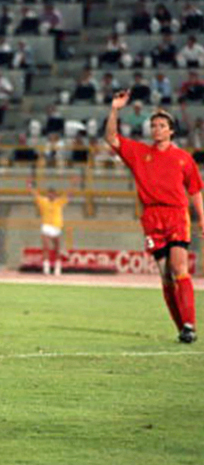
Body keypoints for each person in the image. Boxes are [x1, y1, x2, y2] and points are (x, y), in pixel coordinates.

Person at [105, 90, 204, 344]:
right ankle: (182, 327)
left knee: (179, 268)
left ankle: (190, 323)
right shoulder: (139, 153)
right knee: (164, 275)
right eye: (153, 126)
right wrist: (115, 109)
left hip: (176, 215)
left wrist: (202, 218)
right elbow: (111, 138)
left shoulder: (183, 159)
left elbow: (195, 190)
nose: (156, 129)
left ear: (171, 131)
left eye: (162, 125)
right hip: (151, 217)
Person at [29, 183, 72, 276]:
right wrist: (30, 186)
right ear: (47, 194)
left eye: (52, 194)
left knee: (57, 248)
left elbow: (68, 194)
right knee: (46, 247)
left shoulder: (59, 201)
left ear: (55, 195)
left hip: (56, 226)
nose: (51, 195)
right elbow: (35, 194)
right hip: (46, 226)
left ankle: (57, 267)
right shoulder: (43, 201)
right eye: (49, 193)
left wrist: (73, 184)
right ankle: (46, 268)